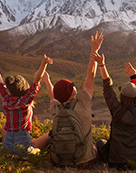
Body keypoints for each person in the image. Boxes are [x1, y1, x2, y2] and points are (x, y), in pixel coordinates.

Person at [41, 31, 103, 168]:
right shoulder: (83, 103)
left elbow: (52, 96)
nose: (75, 86)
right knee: (99, 144)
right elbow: (90, 75)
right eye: (72, 86)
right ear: (72, 92)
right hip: (84, 161)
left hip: (59, 161)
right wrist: (94, 50)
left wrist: (47, 81)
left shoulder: (56, 108)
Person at [0, 51, 52, 155]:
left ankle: (10, 151)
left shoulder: (6, 100)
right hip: (23, 148)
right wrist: (44, 63)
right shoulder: (25, 101)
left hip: (7, 147)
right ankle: (28, 154)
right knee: (38, 148)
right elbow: (36, 80)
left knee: (5, 125)